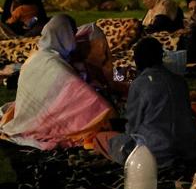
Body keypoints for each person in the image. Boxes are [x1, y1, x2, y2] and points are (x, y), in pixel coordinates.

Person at [0, 15, 115, 149]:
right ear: (64, 35)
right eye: (72, 33)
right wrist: (108, 111)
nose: (74, 38)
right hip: (41, 121)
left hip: (28, 112)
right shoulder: (54, 63)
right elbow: (82, 96)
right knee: (106, 115)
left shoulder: (36, 55)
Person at [93, 37, 196, 167]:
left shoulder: (140, 84)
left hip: (154, 153)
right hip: (189, 149)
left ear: (138, 60)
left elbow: (132, 126)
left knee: (101, 138)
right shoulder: (179, 81)